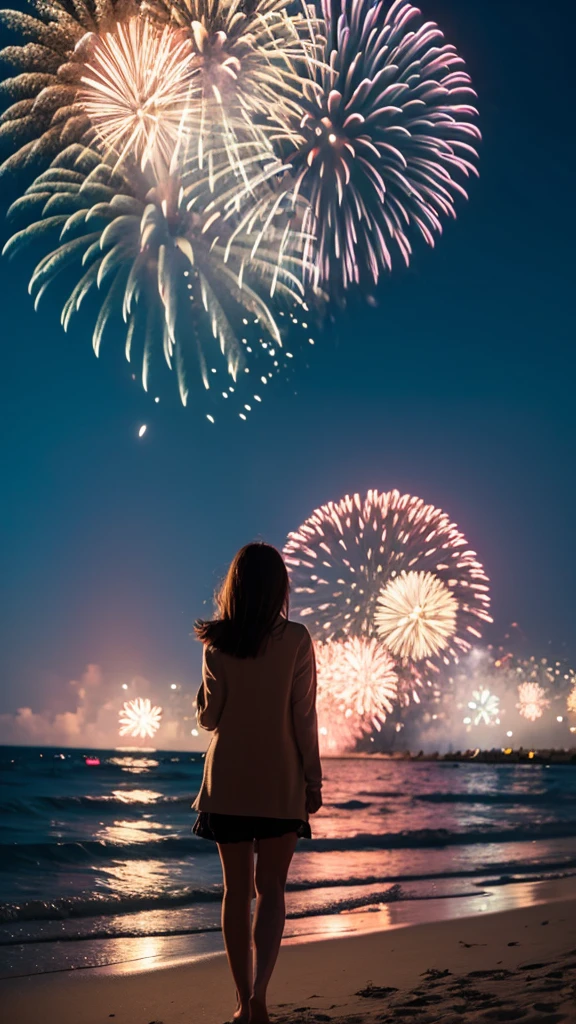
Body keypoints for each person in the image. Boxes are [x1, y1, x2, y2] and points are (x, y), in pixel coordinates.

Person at [192, 542, 322, 1024]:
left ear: (235, 586)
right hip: (280, 782)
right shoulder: (297, 639)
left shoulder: (217, 643)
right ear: (280, 587)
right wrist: (313, 779)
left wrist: (202, 690)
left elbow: (209, 719)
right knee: (272, 890)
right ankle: (261, 1000)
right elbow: (303, 716)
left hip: (227, 781)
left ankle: (242, 1001)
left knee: (235, 893)